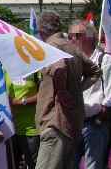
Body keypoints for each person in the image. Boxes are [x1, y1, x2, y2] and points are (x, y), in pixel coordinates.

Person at [36, 34, 100, 169]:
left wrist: (63, 92)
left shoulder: (51, 45)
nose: (74, 37)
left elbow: (60, 67)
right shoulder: (73, 48)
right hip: (70, 124)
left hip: (55, 123)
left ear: (42, 31)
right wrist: (76, 90)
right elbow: (95, 71)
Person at [68, 21, 111, 169]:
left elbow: (110, 94)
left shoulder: (104, 60)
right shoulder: (71, 62)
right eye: (70, 36)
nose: (72, 39)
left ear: (91, 37)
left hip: (95, 124)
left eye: (77, 35)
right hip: (74, 124)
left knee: (94, 166)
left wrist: (100, 118)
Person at [7, 66, 41, 169]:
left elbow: (44, 93)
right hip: (10, 129)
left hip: (31, 128)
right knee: (11, 164)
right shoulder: (5, 69)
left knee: (33, 164)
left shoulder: (35, 70)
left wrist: (23, 102)